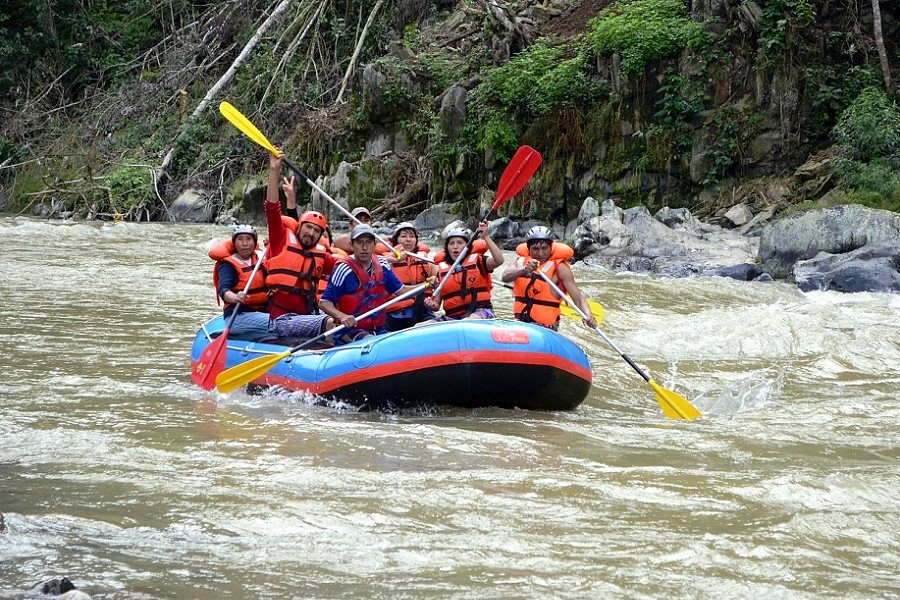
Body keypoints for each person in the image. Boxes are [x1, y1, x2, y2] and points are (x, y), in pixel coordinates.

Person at [264, 153, 336, 343]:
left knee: (339, 317)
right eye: (308, 228)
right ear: (299, 227)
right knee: (330, 322)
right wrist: (274, 171)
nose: (311, 233)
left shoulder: (321, 254)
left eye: (316, 231)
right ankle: (330, 361)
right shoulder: (281, 239)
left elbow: (348, 265)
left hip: (309, 315)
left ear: (321, 236)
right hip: (282, 320)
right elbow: (272, 208)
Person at [319, 224, 426, 343]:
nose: (364, 247)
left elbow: (400, 291)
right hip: (350, 330)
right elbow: (324, 302)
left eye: (368, 242)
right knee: (373, 342)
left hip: (379, 329)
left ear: (374, 245)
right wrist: (342, 316)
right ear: (351, 245)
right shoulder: (344, 269)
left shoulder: (382, 264)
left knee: (392, 344)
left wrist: (425, 285)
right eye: (359, 242)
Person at [501, 226, 598, 330]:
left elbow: (578, 298)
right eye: (535, 249)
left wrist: (588, 315)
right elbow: (505, 277)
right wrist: (524, 270)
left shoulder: (560, 268)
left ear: (551, 247)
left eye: (544, 248)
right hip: (521, 324)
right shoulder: (520, 262)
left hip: (546, 328)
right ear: (528, 249)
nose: (540, 253)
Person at [424, 221, 504, 320]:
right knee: (421, 325)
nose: (455, 246)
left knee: (467, 321)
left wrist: (486, 236)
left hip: (481, 312)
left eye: (460, 243)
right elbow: (436, 305)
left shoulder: (479, 261)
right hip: (453, 317)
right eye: (451, 243)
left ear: (467, 246)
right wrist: (430, 304)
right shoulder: (440, 271)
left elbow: (499, 260)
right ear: (447, 247)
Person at [212, 224, 271, 342]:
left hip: (261, 312)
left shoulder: (260, 258)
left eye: (248, 239)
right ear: (234, 243)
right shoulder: (228, 265)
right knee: (281, 323)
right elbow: (223, 291)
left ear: (254, 242)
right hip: (238, 316)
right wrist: (235, 297)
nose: (244, 243)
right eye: (240, 239)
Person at [383, 221, 438, 331]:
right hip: (392, 315)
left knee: (433, 321)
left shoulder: (426, 261)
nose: (408, 239)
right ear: (396, 240)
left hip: (418, 311)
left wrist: (434, 285)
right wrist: (388, 259)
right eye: (403, 236)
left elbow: (440, 282)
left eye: (412, 236)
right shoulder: (384, 261)